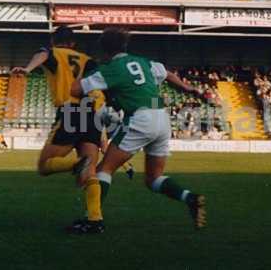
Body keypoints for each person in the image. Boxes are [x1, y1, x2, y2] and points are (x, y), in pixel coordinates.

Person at [71, 28, 206, 233]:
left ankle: (93, 220)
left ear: (104, 49)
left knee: (103, 170)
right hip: (161, 118)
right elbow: (168, 74)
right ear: (124, 46)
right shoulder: (144, 62)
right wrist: (188, 88)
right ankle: (190, 197)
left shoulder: (110, 68)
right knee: (153, 178)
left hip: (140, 118)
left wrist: (83, 69)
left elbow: (75, 90)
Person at [12, 26, 105, 227]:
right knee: (91, 172)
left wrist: (28, 69)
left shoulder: (53, 52)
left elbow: (43, 54)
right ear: (73, 43)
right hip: (91, 114)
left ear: (54, 41)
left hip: (71, 111)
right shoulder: (87, 60)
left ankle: (75, 164)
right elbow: (99, 84)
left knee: (44, 166)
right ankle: (95, 218)